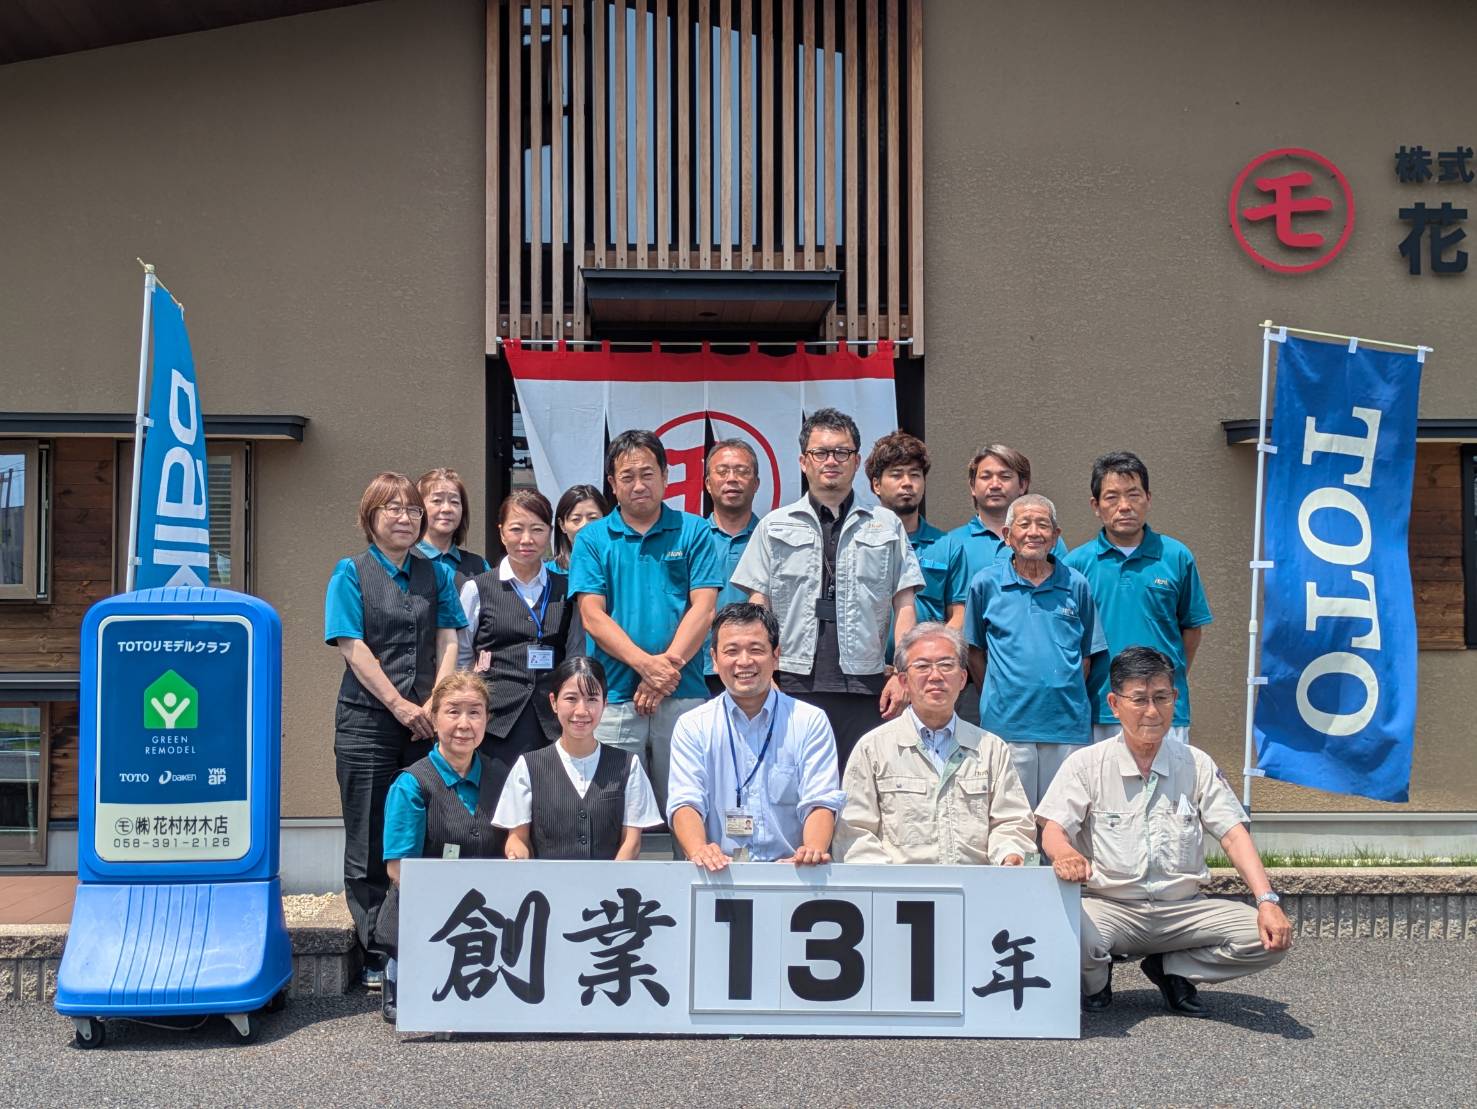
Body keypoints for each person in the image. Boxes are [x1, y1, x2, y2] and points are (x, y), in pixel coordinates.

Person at [1037, 647, 1293, 1016]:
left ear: (1175, 698)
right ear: (1114, 704)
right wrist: (1064, 853)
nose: (1152, 711)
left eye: (1161, 698)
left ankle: (1171, 968)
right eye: (1139, 699)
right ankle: (1096, 982)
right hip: (1112, 908)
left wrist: (1267, 901)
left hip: (1182, 910)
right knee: (1071, 928)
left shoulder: (1196, 763)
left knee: (1267, 937)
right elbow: (1053, 828)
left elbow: (1233, 834)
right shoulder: (1086, 764)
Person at [324, 472, 467, 988]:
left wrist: (435, 699)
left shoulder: (436, 573)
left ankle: (425, 939)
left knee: (426, 829)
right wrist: (399, 704)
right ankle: (376, 952)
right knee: (369, 835)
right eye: (393, 509)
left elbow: (449, 638)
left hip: (425, 720)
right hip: (367, 721)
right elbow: (352, 646)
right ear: (371, 517)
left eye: (412, 510)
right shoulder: (351, 572)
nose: (405, 518)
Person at [731, 408, 923, 769]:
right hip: (790, 683)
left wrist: (904, 674)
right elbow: (758, 608)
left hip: (866, 687)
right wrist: (763, 675)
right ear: (804, 461)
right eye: (820, 453)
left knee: (858, 790)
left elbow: (905, 605)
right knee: (789, 787)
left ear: (857, 461)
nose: (831, 461)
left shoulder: (886, 526)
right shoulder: (775, 525)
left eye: (842, 452)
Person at [569, 429, 722, 815]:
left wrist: (662, 673)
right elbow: (592, 616)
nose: (639, 485)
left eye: (648, 474)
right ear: (612, 483)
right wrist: (648, 668)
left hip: (684, 693)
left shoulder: (694, 531)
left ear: (666, 476)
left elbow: (704, 609)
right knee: (610, 809)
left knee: (690, 806)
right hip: (615, 698)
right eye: (627, 476)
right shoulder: (593, 539)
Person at [834, 623, 1035, 866]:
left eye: (946, 665)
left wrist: (1011, 855)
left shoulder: (991, 749)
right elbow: (854, 833)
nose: (936, 676)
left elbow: (1015, 823)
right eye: (922, 666)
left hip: (977, 885)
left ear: (962, 679)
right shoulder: (873, 748)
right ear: (903, 681)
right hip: (900, 886)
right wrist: (887, 881)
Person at [667, 603, 846, 869]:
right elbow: (685, 800)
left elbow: (820, 800)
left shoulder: (809, 720)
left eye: (756, 650)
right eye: (731, 651)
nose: (744, 661)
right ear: (714, 659)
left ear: (776, 656)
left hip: (791, 871)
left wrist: (812, 850)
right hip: (720, 871)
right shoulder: (693, 725)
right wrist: (699, 850)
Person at [377, 671, 507, 1023]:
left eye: (475, 712)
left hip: (488, 922)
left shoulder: (503, 777)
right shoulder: (412, 784)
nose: (464, 724)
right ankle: (395, 973)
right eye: (453, 711)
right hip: (426, 920)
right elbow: (398, 869)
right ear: (433, 719)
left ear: (487, 720)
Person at [964, 493, 1105, 809]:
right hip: (1007, 725)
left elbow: (1086, 656)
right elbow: (975, 652)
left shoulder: (1076, 584)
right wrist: (998, 694)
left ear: (1055, 536)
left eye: (1043, 525)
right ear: (1007, 535)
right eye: (1024, 524)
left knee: (1063, 820)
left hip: (1066, 726)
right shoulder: (985, 584)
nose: (1033, 532)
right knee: (1013, 820)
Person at [1065, 451, 1213, 745]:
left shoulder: (1176, 556)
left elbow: (1191, 630)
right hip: (1100, 709)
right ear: (1096, 506)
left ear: (1148, 498)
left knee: (1167, 775)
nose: (1124, 506)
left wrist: (1165, 678)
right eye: (1112, 497)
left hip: (1165, 711)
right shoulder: (1076, 564)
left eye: (1133, 495)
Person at [457, 490, 584, 765]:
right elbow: (462, 656)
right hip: (494, 722)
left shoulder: (566, 590)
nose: (527, 539)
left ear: (549, 533)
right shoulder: (477, 589)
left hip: (551, 723)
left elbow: (574, 656)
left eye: (537, 529)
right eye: (516, 529)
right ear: (502, 533)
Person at [493, 656, 662, 861]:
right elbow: (517, 838)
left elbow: (631, 843)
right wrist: (518, 856)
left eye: (592, 699)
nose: (581, 711)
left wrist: (611, 879)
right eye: (571, 699)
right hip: (545, 881)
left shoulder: (628, 765)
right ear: (554, 702)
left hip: (609, 881)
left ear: (605, 704)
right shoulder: (528, 766)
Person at [864, 431, 969, 667]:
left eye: (915, 475)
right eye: (896, 475)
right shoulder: (858, 541)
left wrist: (930, 656)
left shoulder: (948, 545)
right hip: (866, 670)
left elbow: (959, 614)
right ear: (876, 485)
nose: (907, 483)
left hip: (925, 671)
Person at [947, 443, 1067, 588]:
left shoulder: (1045, 539)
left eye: (1005, 477)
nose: (995, 485)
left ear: (1022, 485)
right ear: (972, 486)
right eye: (986, 477)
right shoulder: (952, 542)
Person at [702, 438, 762, 695]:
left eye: (741, 471)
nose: (732, 479)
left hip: (755, 668)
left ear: (756, 483)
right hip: (698, 671)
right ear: (707, 483)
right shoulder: (691, 538)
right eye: (723, 471)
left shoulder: (772, 537)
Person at [415, 468, 492, 584]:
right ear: (419, 508)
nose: (447, 509)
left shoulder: (479, 567)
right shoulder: (402, 560)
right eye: (437, 501)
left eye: (454, 502)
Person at [548, 483, 608, 575]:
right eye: (576, 519)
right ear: (562, 525)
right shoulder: (548, 574)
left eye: (593, 518)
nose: (585, 525)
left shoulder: (619, 569)